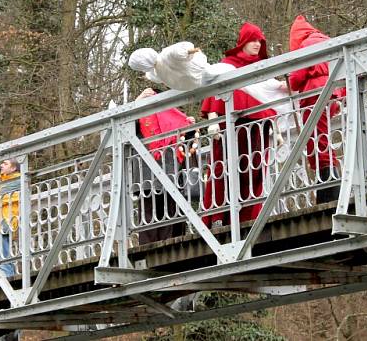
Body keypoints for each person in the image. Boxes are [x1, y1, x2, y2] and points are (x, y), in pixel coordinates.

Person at [200, 22, 282, 228]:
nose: (257, 44)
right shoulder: (227, 65)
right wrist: (213, 120)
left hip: (258, 129)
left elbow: (268, 98)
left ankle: (249, 217)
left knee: (254, 173)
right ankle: (219, 216)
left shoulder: (262, 68)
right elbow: (216, 92)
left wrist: (276, 129)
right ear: (243, 42)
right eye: (253, 40)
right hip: (231, 127)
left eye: (260, 41)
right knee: (223, 170)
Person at [288, 15, 345, 204]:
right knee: (323, 139)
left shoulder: (306, 46)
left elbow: (296, 79)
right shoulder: (329, 41)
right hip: (332, 93)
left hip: (314, 95)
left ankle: (329, 191)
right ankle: (329, 187)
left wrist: (288, 80)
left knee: (317, 142)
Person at [134, 88, 195, 245]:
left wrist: (189, 126)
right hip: (150, 175)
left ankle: (167, 246)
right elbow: (124, 128)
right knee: (152, 214)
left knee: (167, 213)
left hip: (167, 173)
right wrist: (136, 103)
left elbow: (187, 145)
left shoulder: (169, 118)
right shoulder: (139, 116)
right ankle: (154, 249)